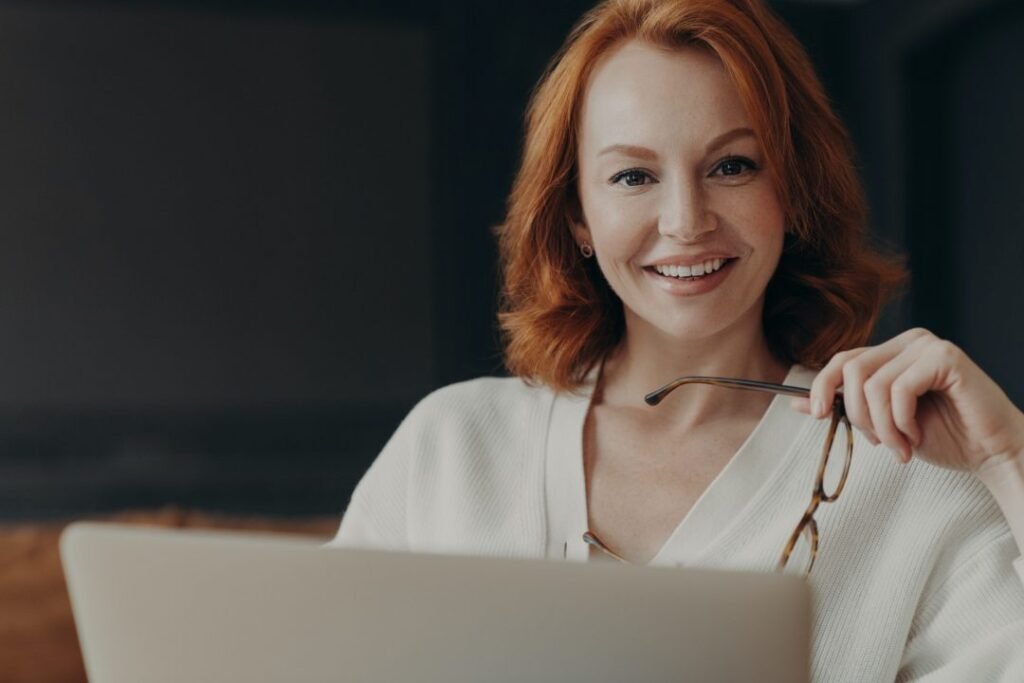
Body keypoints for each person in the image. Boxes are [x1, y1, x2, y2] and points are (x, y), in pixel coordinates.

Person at [329, 0, 1024, 679]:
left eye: (733, 166)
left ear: (792, 191)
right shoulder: (448, 449)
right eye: (634, 176)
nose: (686, 221)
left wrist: (1010, 456)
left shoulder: (912, 476)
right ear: (578, 217)